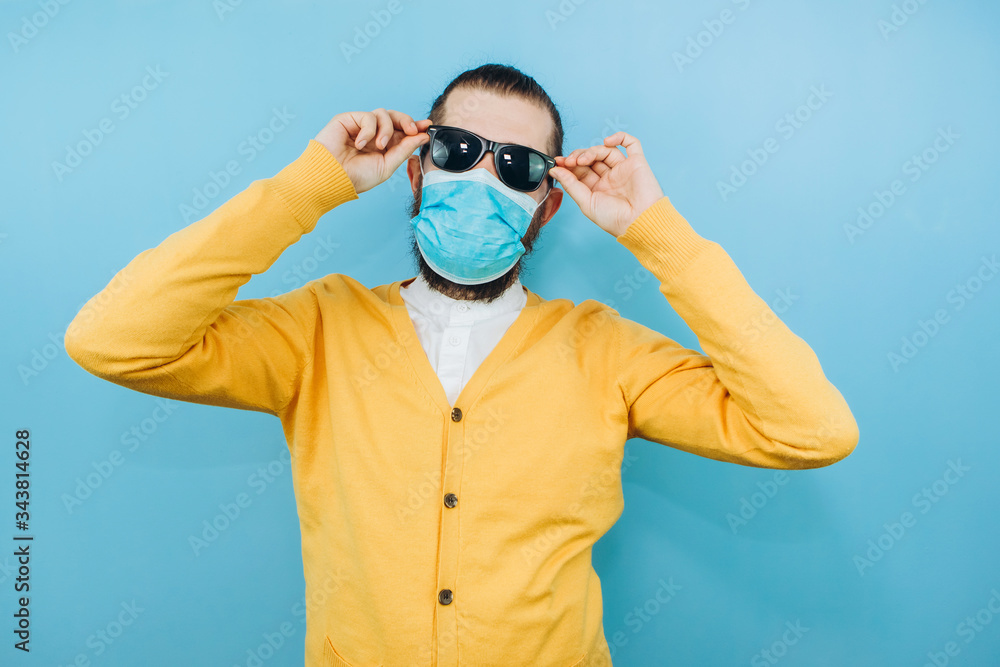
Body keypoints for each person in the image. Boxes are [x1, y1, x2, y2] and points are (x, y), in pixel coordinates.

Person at [65, 63, 859, 666]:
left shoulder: (606, 350)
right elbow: (112, 338)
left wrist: (653, 229)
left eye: (515, 167)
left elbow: (811, 429)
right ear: (417, 166)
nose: (482, 177)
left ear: (547, 202)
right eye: (457, 150)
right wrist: (312, 185)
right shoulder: (319, 329)